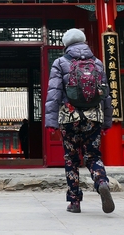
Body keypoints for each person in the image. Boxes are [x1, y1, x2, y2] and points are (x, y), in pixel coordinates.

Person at [45, 28, 115, 214]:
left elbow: (54, 93)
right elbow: (106, 96)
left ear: (66, 44)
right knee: (93, 156)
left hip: (70, 118)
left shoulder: (60, 62)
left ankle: (74, 202)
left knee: (71, 159)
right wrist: (107, 122)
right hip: (94, 118)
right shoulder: (98, 63)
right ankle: (101, 182)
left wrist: (51, 122)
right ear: (84, 42)